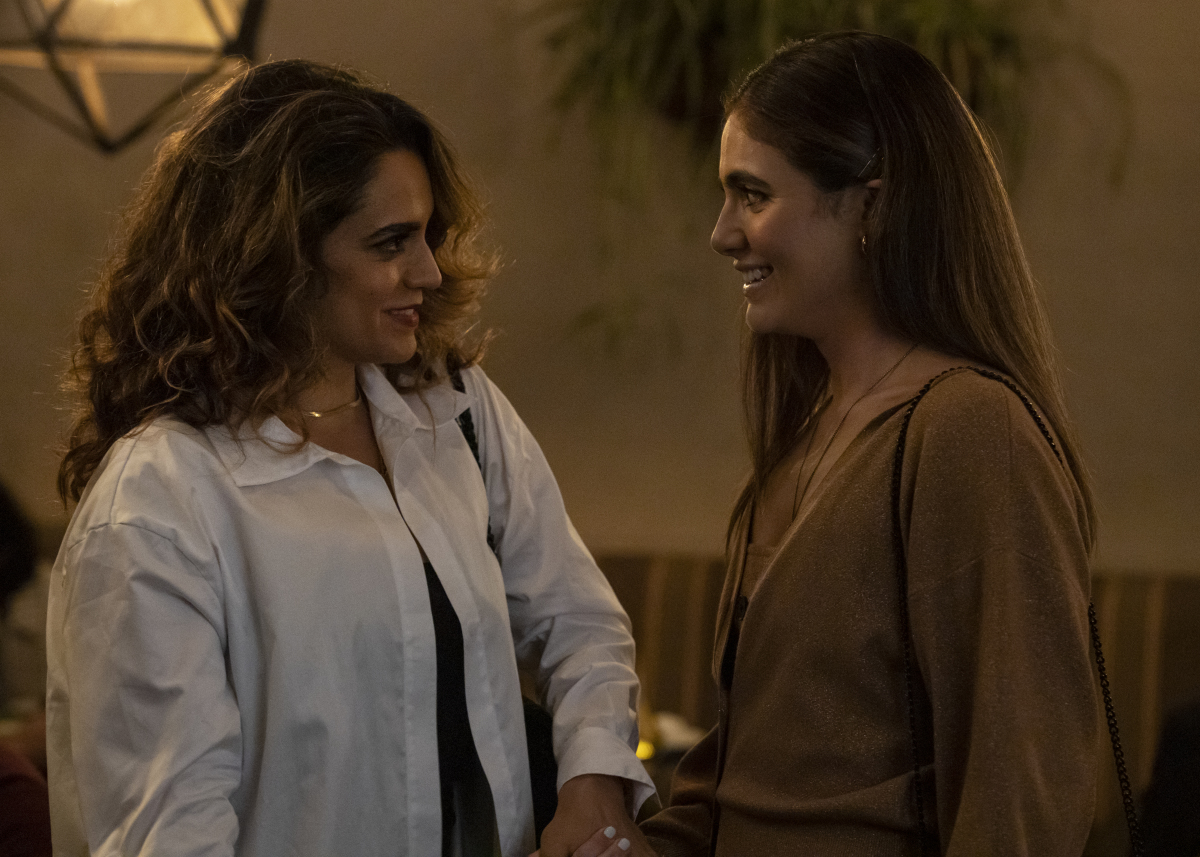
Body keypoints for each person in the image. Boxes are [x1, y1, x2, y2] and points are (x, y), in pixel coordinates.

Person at [46, 59, 654, 857]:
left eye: (428, 236)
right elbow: (169, 831)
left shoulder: (454, 411)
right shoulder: (161, 499)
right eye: (390, 242)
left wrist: (594, 785)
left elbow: (579, 622)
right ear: (278, 256)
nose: (428, 272)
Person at [575, 30, 1100, 857]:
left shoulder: (968, 428)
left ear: (871, 206)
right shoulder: (808, 432)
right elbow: (743, 795)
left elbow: (1020, 796)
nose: (721, 233)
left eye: (752, 195)